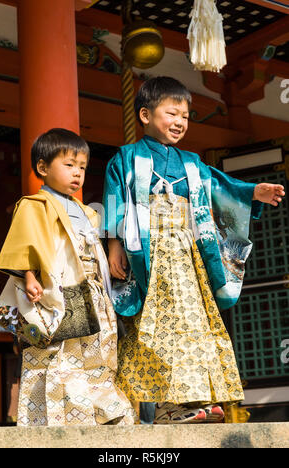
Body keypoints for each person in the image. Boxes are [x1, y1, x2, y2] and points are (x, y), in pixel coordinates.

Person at [103, 76, 285, 424]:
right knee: (153, 326)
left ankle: (195, 399)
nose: (180, 122)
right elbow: (114, 201)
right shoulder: (126, 157)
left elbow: (219, 186)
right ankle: (163, 405)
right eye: (172, 113)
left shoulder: (192, 162)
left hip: (186, 257)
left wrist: (252, 192)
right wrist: (114, 246)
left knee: (193, 323)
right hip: (147, 255)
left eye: (185, 116)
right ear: (144, 115)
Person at [0, 128, 137, 426]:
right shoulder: (35, 205)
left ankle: (103, 412)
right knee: (58, 356)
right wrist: (29, 276)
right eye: (69, 165)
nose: (77, 173)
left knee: (100, 352)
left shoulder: (90, 213)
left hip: (93, 292)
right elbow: (25, 242)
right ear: (43, 167)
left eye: (82, 167)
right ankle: (59, 418)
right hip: (57, 291)